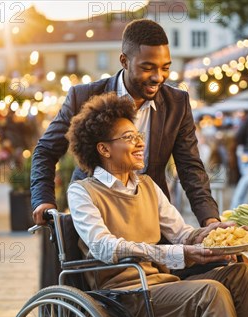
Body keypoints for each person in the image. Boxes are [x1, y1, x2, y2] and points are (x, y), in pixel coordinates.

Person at [66, 93, 248, 317]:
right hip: (125, 297)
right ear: (103, 149)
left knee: (243, 274)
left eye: (138, 136)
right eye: (129, 138)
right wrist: (176, 254)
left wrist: (217, 232)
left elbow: (183, 235)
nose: (139, 143)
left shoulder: (146, 185)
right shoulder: (83, 191)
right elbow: (103, 247)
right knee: (210, 292)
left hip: (161, 284)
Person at [31, 19, 220, 287]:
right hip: (101, 214)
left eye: (165, 67)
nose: (158, 77)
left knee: (230, 266)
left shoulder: (178, 103)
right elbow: (46, 150)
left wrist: (209, 221)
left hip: (151, 218)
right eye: (147, 68)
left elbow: (190, 167)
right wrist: (43, 200)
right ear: (124, 60)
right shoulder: (82, 96)